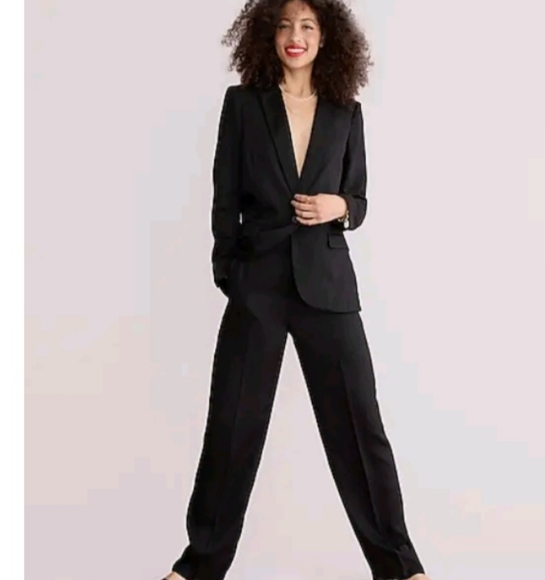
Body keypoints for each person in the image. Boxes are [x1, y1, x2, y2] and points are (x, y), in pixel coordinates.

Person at [161, 1, 431, 579]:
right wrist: (230, 272)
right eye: (285, 24)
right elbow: (224, 196)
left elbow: (358, 199)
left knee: (360, 427)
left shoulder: (345, 112)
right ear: (267, 33)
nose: (295, 35)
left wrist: (340, 207)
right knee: (232, 426)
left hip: (327, 286)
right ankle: (197, 568)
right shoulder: (242, 104)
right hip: (257, 284)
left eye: (307, 26)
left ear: (326, 38)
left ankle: (401, 568)